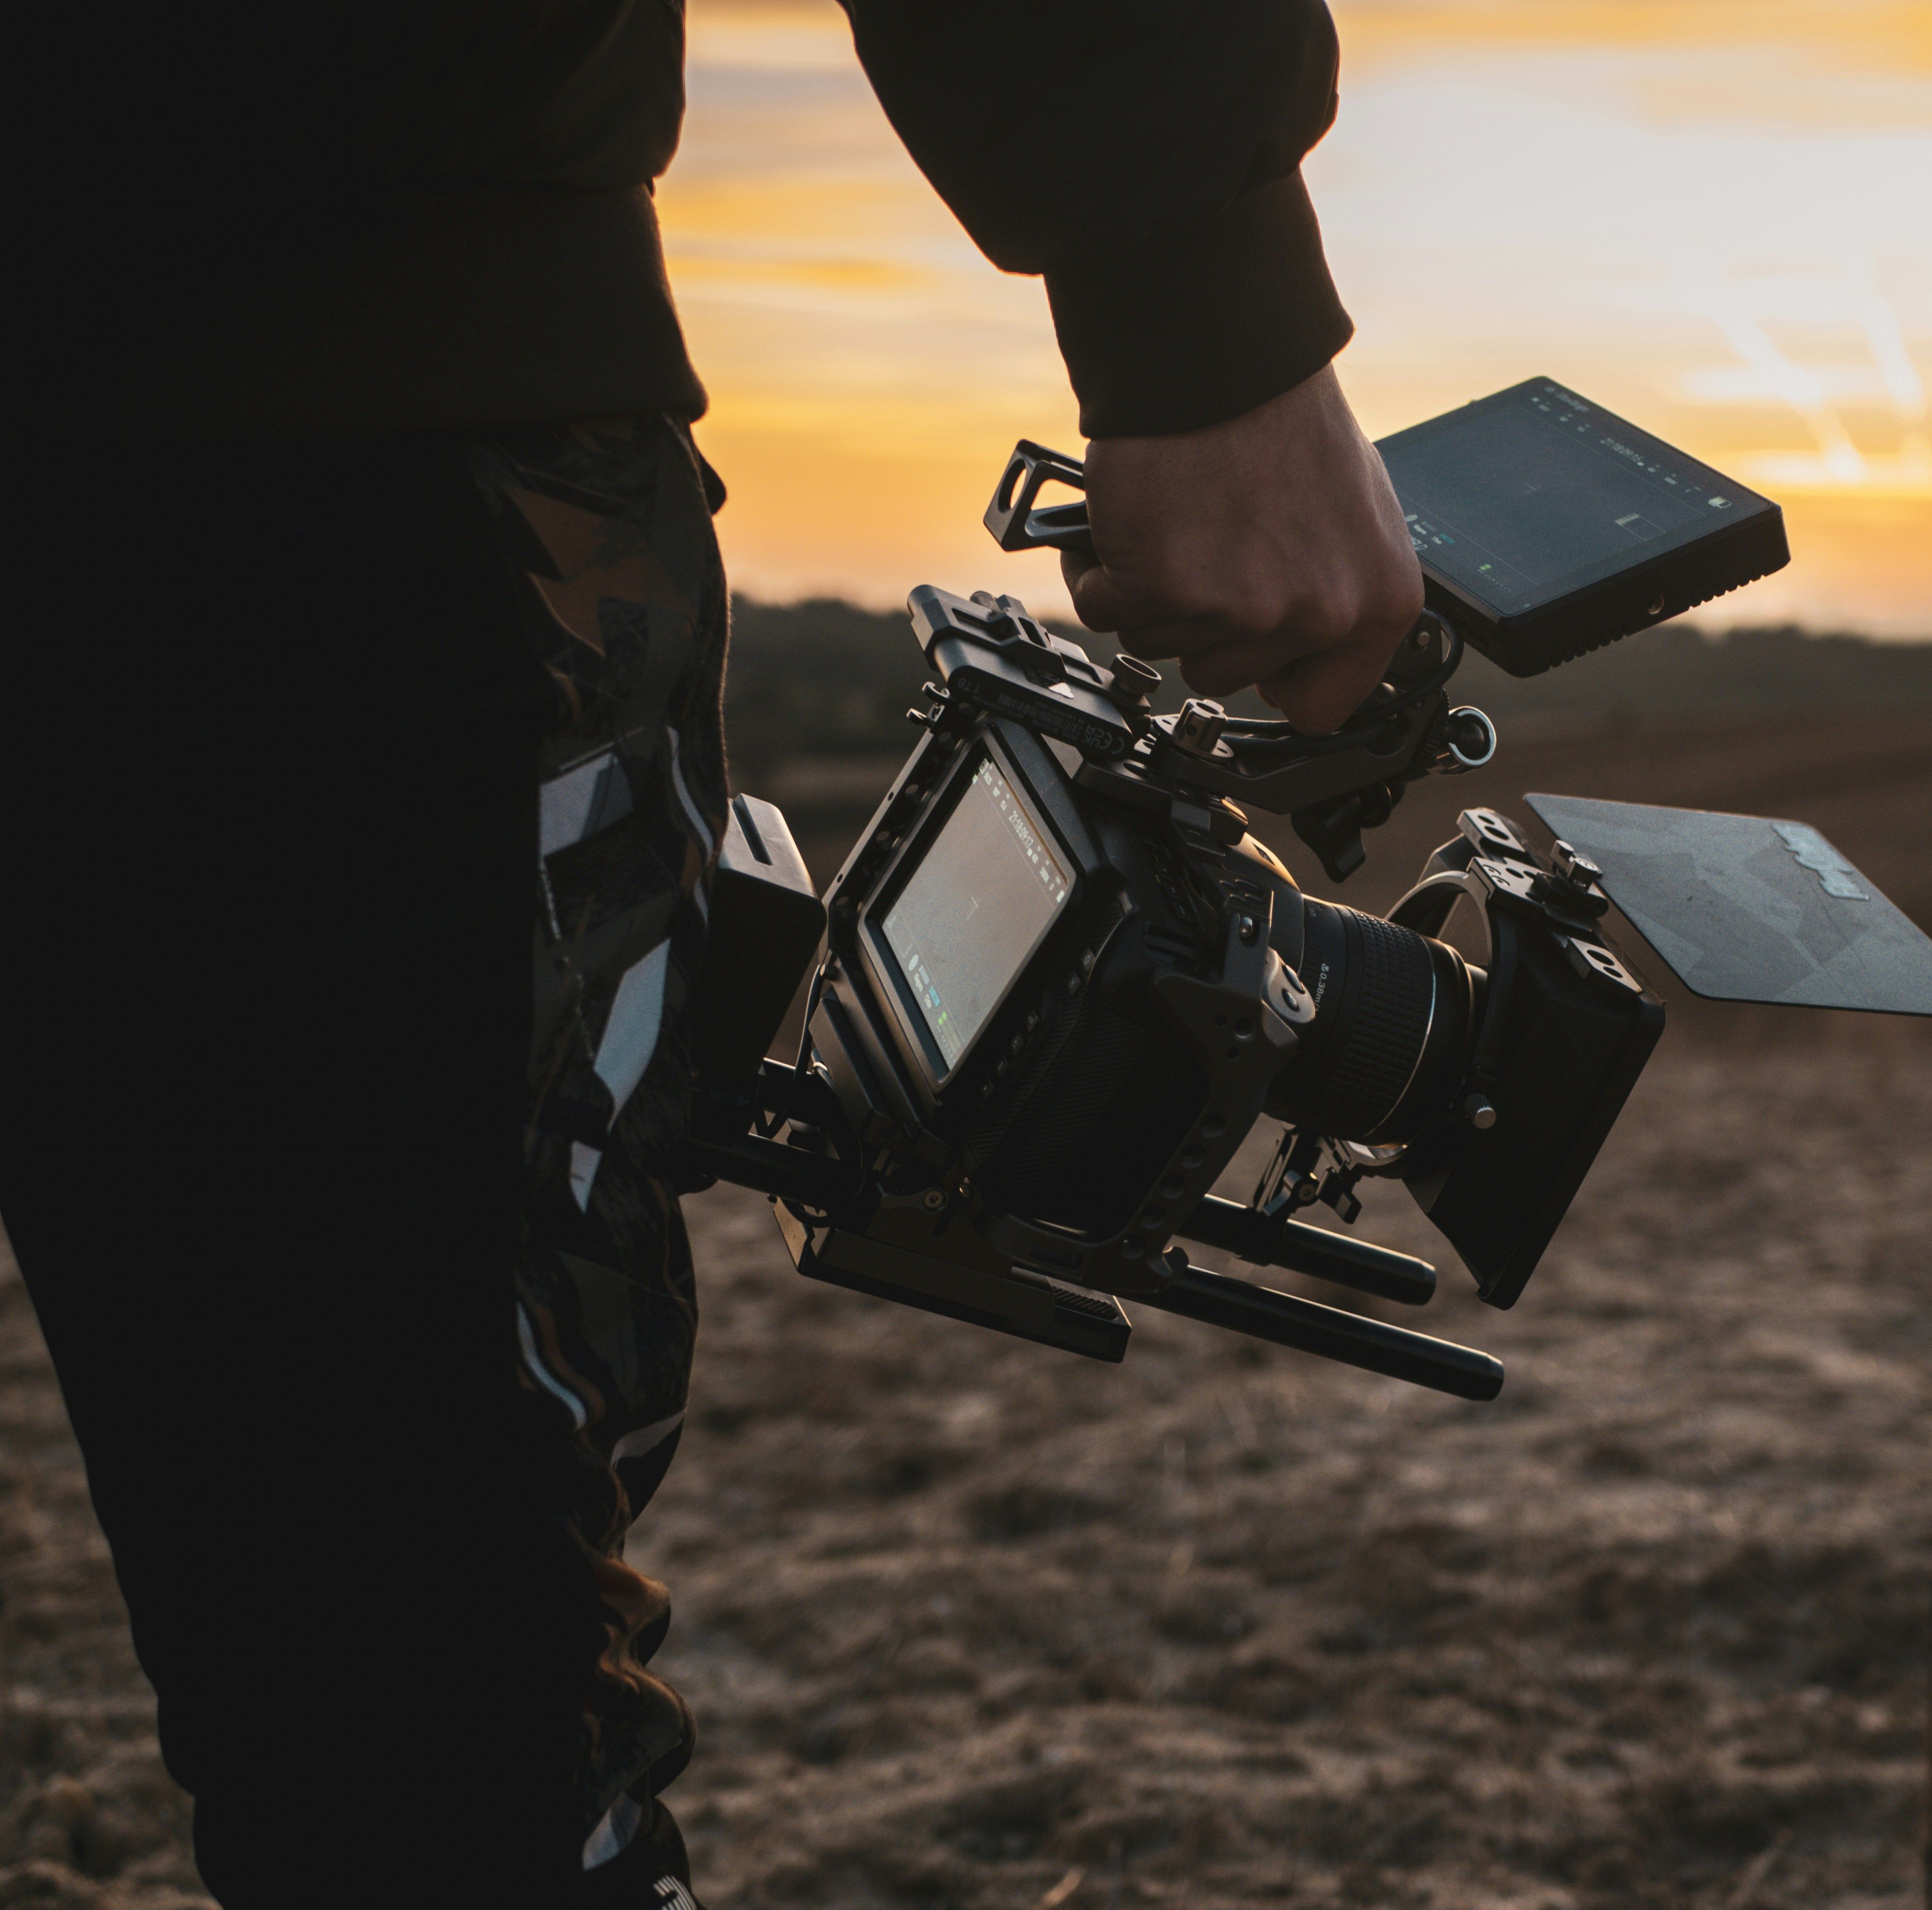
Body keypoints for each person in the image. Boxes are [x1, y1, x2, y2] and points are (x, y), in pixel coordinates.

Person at [1, 2, 1418, 1904]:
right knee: (410, 1688)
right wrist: (1201, 294)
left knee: (391, 1658)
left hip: (308, 393)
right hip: (313, 449)